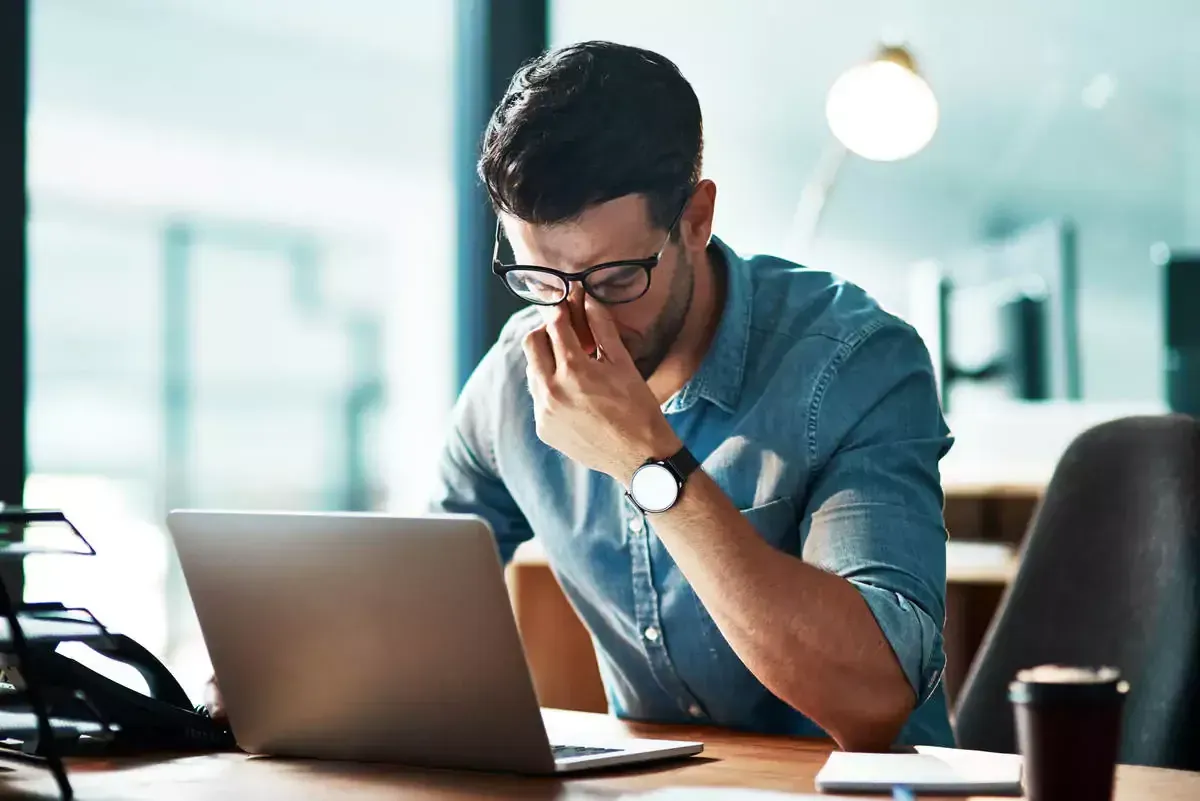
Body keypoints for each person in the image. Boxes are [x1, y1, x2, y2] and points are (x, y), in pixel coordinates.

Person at [210, 40, 954, 751]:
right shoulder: (513, 382)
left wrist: (648, 463)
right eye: (540, 281)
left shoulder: (855, 362)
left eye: (614, 279)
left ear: (695, 219)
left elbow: (874, 697)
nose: (575, 318)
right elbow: (408, 600)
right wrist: (285, 667)